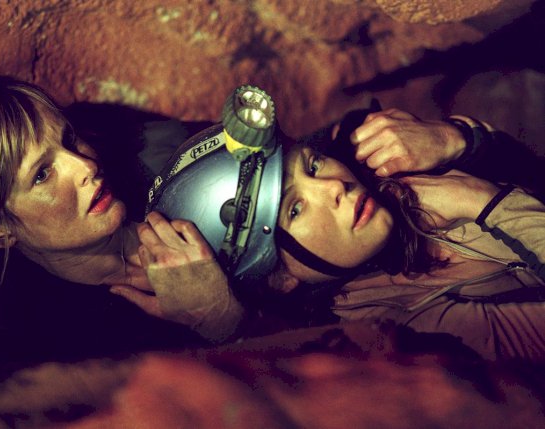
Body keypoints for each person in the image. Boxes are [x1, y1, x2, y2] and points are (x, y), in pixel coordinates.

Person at [147, 99, 545, 361]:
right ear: (280, 279)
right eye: (295, 209)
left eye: (313, 165)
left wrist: (459, 139)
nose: (334, 187)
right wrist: (482, 200)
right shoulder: (406, 326)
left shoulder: (392, 175)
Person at [0, 76, 243, 360]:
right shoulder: (43, 344)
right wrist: (220, 319)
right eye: (42, 174)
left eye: (69, 139)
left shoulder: (153, 160)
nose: (86, 166)